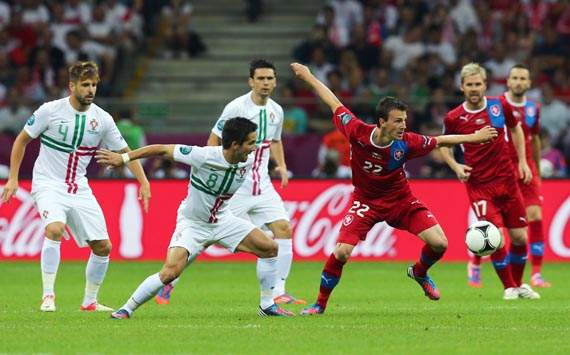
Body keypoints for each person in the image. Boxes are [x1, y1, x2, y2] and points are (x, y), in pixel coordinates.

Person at [289, 62, 498, 315]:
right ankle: (319, 305)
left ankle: (419, 272)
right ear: (381, 122)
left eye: (405, 120)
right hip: (366, 202)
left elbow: (440, 140)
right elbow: (333, 101)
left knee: (440, 244)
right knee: (342, 252)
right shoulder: (357, 132)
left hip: (401, 200)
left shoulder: (407, 143)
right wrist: (309, 76)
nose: (403, 125)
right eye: (398, 121)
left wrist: (473, 137)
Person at [96, 117, 294, 318]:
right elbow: (162, 149)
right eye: (251, 142)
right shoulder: (203, 156)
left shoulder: (249, 160)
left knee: (270, 248)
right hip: (193, 224)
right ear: (235, 145)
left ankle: (267, 305)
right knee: (170, 273)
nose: (255, 148)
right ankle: (126, 309)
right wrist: (124, 158)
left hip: (224, 221)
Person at [0, 61, 151, 312]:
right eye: (85, 85)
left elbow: (126, 153)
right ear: (71, 86)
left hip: (79, 187)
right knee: (55, 228)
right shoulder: (49, 111)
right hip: (48, 183)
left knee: (103, 246)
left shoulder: (103, 119)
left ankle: (89, 302)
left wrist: (143, 182)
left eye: (93, 85)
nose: (90, 90)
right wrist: (13, 178)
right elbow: (21, 141)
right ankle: (48, 296)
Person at [155, 59, 305, 306]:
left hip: (263, 183)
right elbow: (214, 138)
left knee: (283, 229)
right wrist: (213, 171)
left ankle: (279, 290)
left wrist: (282, 166)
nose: (266, 83)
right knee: (205, 236)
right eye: (261, 79)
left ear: (275, 81)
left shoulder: (276, 111)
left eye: (270, 78)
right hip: (238, 186)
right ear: (251, 81)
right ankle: (170, 280)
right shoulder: (236, 107)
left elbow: (275, 141)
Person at [440, 62, 540, 300]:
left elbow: (516, 130)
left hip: (508, 180)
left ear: (485, 85)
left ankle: (519, 284)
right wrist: (456, 166)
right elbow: (443, 144)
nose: (474, 88)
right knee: (494, 238)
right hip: (480, 186)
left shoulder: (499, 105)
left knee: (520, 238)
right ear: (462, 87)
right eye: (469, 85)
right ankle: (508, 288)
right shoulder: (454, 117)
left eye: (478, 84)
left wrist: (523, 162)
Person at [467, 64, 551, 288]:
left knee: (533, 216)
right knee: (496, 227)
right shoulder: (495, 104)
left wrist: (535, 170)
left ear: (529, 83)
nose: (519, 82)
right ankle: (475, 261)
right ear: (508, 81)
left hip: (526, 168)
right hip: (500, 169)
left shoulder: (534, 108)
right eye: (515, 78)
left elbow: (533, 139)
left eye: (523, 78)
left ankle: (536, 273)